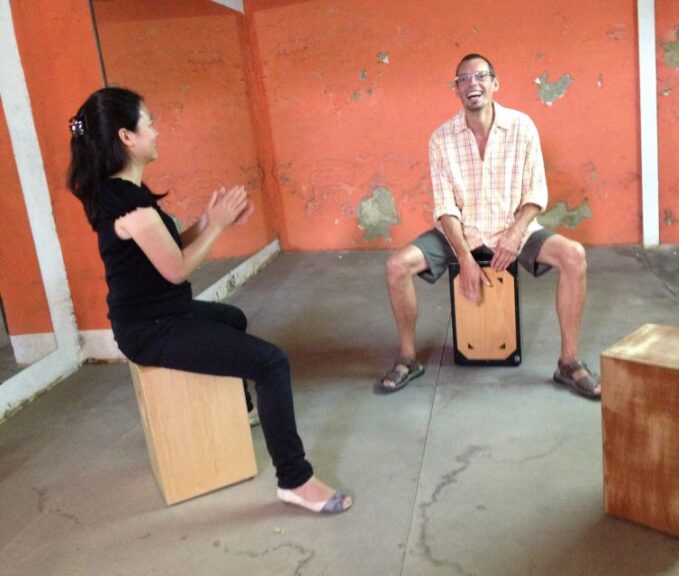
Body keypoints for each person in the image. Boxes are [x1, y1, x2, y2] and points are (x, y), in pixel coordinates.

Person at [67, 87, 352, 513]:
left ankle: (243, 412)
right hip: (150, 329)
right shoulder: (129, 206)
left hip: (164, 313)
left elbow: (164, 247)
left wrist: (206, 221)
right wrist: (217, 227)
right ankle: (295, 480)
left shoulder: (124, 192)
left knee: (231, 317)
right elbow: (176, 269)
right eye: (150, 122)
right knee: (271, 363)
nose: (157, 130)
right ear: (127, 137)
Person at [377, 53, 600, 399]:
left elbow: (536, 192)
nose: (472, 84)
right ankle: (408, 358)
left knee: (574, 256)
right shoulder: (441, 139)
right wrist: (464, 257)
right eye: (463, 79)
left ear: (495, 84)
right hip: (463, 231)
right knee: (396, 266)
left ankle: (568, 363)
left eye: (480, 76)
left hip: (515, 228)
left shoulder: (522, 127)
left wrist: (514, 234)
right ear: (456, 90)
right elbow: (446, 209)